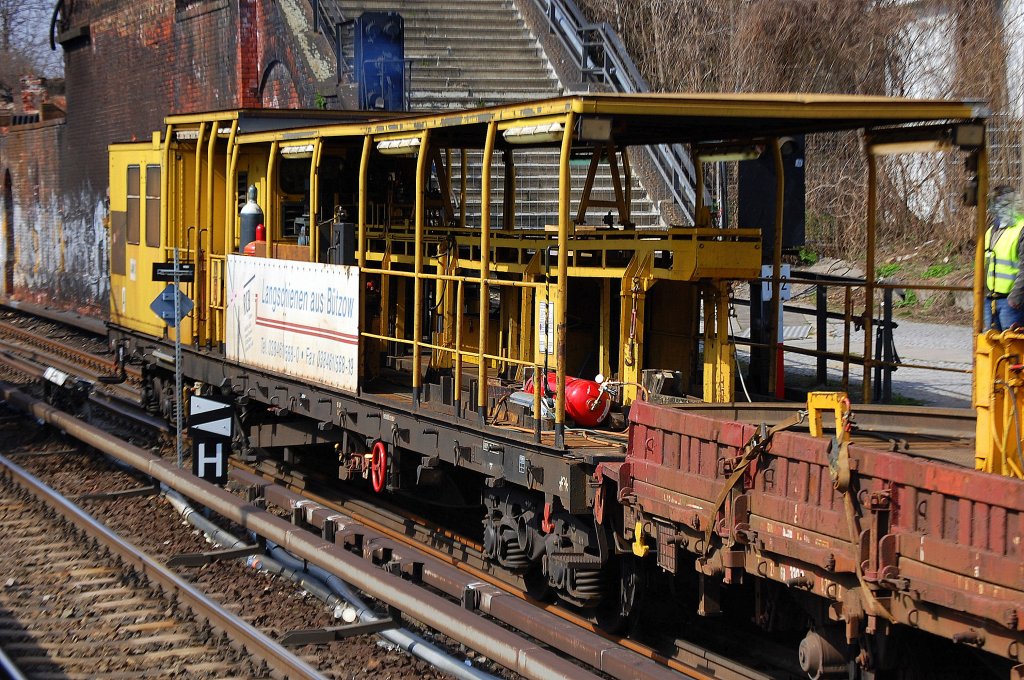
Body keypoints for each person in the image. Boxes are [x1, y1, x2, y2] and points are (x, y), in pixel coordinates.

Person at [984, 186, 1024, 330]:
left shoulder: (1021, 228)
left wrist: (1016, 296)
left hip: (1011, 302)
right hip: (990, 300)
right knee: (991, 347)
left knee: (1012, 347)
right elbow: (986, 265)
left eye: (1004, 203)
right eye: (996, 203)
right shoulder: (992, 230)